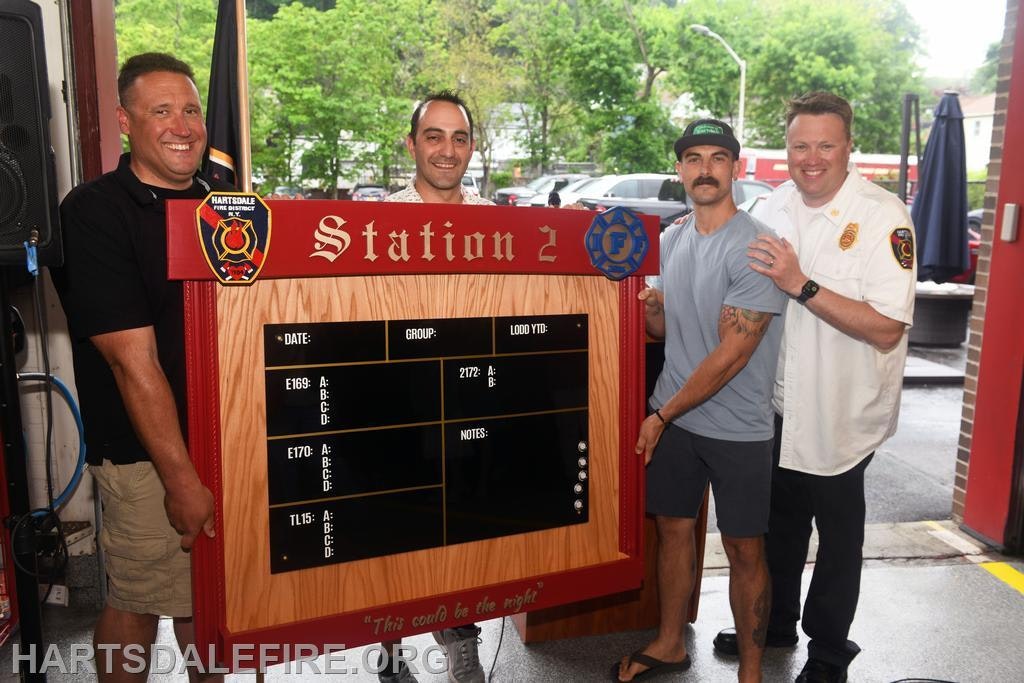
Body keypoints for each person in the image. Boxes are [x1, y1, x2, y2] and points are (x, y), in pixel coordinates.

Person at [713, 92, 916, 682]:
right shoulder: (771, 207)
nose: (812, 157)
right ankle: (773, 625)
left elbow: (885, 328)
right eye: (800, 145)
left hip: (841, 413)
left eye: (825, 144)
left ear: (848, 146)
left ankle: (829, 650)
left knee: (837, 544)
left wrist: (801, 284)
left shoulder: (883, 217)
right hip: (775, 406)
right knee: (779, 524)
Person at [52, 53, 226, 681]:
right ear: (125, 121)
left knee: (207, 603)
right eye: (161, 111)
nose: (182, 126)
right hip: (145, 455)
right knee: (141, 599)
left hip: (222, 440)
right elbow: (134, 364)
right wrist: (181, 480)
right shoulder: (94, 212)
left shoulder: (220, 206)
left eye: (190, 110)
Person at [613, 119, 786, 683]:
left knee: (743, 547)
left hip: (735, 425)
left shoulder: (758, 248)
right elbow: (669, 334)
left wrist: (661, 416)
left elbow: (732, 354)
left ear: (734, 168)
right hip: (677, 419)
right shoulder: (671, 239)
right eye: (693, 158)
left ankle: (752, 671)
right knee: (672, 529)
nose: (705, 169)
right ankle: (669, 643)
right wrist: (652, 308)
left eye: (717, 158)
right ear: (680, 169)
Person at [379, 90, 491, 683]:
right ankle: (391, 647)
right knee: (401, 523)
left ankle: (461, 639)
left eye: (459, 138)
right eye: (434, 136)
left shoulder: (497, 223)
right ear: (412, 144)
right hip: (401, 400)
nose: (447, 151)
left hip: (467, 399)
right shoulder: (377, 222)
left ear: (471, 147)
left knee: (460, 527)